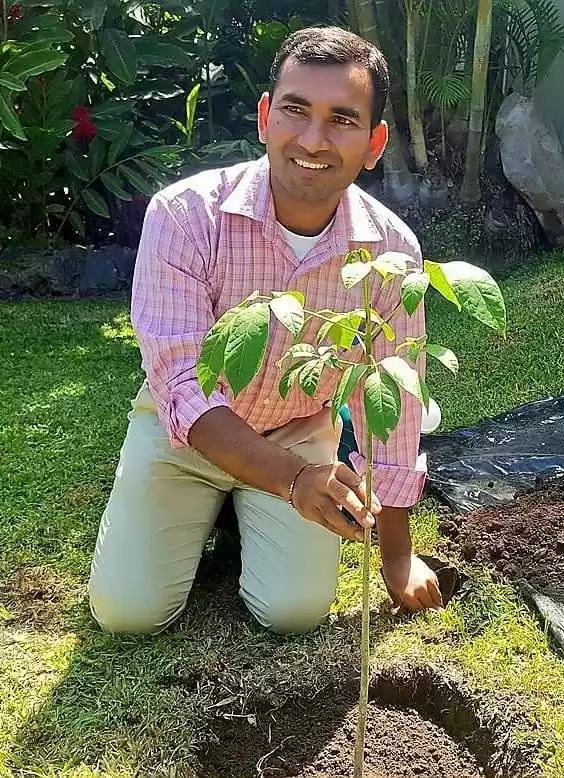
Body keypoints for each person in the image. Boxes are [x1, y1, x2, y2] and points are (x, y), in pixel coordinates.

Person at [88, 26, 444, 636]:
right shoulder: (184, 216)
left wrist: (396, 555)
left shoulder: (391, 252)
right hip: (185, 437)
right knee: (128, 614)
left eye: (342, 120)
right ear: (264, 117)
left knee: (293, 613)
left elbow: (394, 402)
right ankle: (218, 503)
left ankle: (238, 511)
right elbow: (180, 382)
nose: (313, 138)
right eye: (295, 110)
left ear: (375, 142)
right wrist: (294, 482)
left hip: (301, 430)